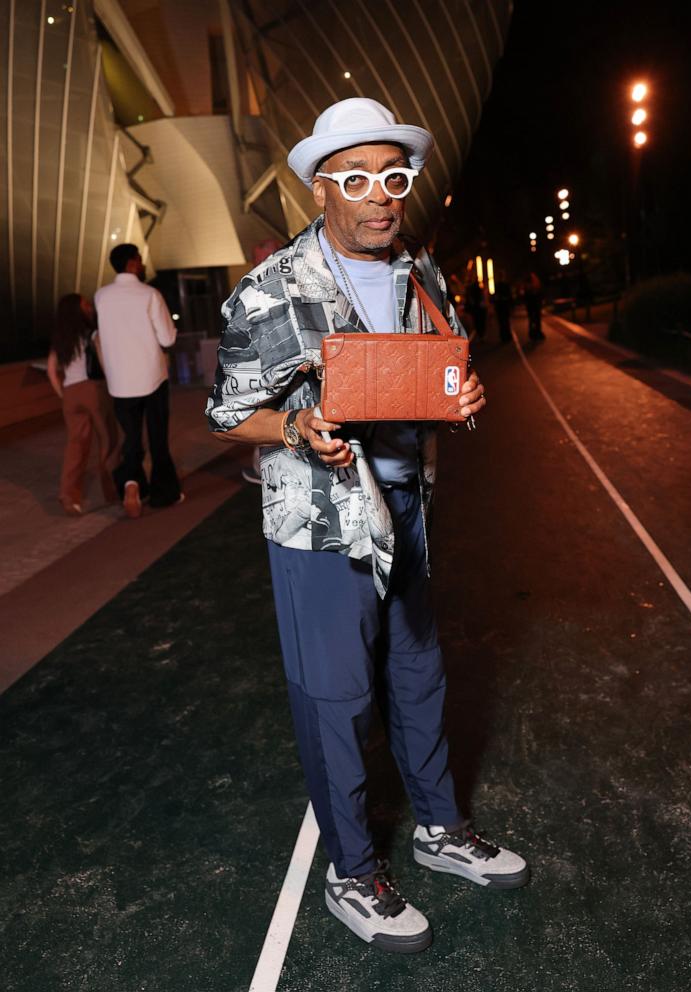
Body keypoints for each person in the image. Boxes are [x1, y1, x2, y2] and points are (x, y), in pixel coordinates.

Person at [207, 98, 529, 953]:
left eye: (394, 176)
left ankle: (438, 829)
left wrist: (463, 402)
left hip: (407, 511)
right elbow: (225, 412)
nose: (380, 196)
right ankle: (351, 873)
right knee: (338, 703)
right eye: (357, 180)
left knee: (420, 680)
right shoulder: (270, 290)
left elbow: (445, 372)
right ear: (322, 189)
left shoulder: (421, 271)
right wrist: (294, 429)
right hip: (321, 528)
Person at [95, 244, 182, 518]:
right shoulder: (149, 294)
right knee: (157, 437)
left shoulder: (101, 296)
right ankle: (163, 494)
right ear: (133, 263)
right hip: (152, 376)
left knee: (131, 438)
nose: (143, 265)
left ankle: (131, 484)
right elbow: (167, 338)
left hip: (120, 382)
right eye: (140, 260)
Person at [46, 293, 119, 515]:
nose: (90, 308)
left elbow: (51, 370)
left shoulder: (60, 340)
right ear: (78, 311)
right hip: (94, 389)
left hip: (70, 393)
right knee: (108, 440)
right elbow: (104, 363)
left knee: (76, 445)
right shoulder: (92, 334)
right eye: (86, 305)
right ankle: (113, 491)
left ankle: (69, 496)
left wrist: (63, 394)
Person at [492, 269, 513, 343]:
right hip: (501, 306)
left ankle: (506, 335)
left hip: (503, 306)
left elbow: (509, 296)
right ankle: (504, 336)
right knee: (502, 321)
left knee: (504, 321)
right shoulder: (498, 285)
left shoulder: (504, 285)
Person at [524, 271, 545, 340]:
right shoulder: (529, 286)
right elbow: (526, 297)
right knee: (533, 320)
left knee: (536, 319)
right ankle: (534, 333)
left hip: (535, 305)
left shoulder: (535, 285)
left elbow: (540, 294)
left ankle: (537, 332)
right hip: (532, 305)